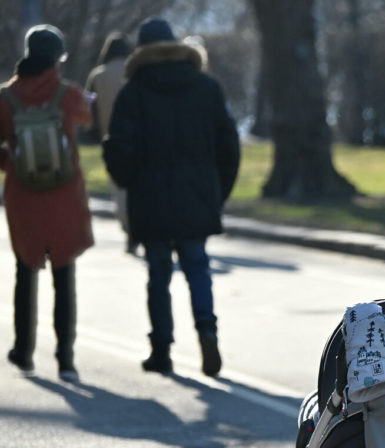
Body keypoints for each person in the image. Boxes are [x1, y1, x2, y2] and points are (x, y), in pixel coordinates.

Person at [103, 17, 240, 377]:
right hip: (197, 194)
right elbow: (229, 146)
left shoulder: (132, 93)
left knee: (158, 275)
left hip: (151, 198)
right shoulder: (206, 87)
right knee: (198, 267)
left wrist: (127, 180)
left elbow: (118, 150)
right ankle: (207, 331)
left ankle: (161, 349)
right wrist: (218, 192)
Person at [1, 24, 94, 383]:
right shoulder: (67, 95)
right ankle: (66, 360)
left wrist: (11, 162)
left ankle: (24, 351)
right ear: (57, 57)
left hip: (23, 196)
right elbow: (87, 117)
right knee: (64, 275)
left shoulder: (6, 98)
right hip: (64, 196)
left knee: (25, 272)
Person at [85, 32, 134, 253]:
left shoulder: (98, 76)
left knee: (120, 189)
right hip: (136, 137)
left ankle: (128, 228)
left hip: (109, 137)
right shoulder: (134, 72)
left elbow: (89, 110)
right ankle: (137, 229)